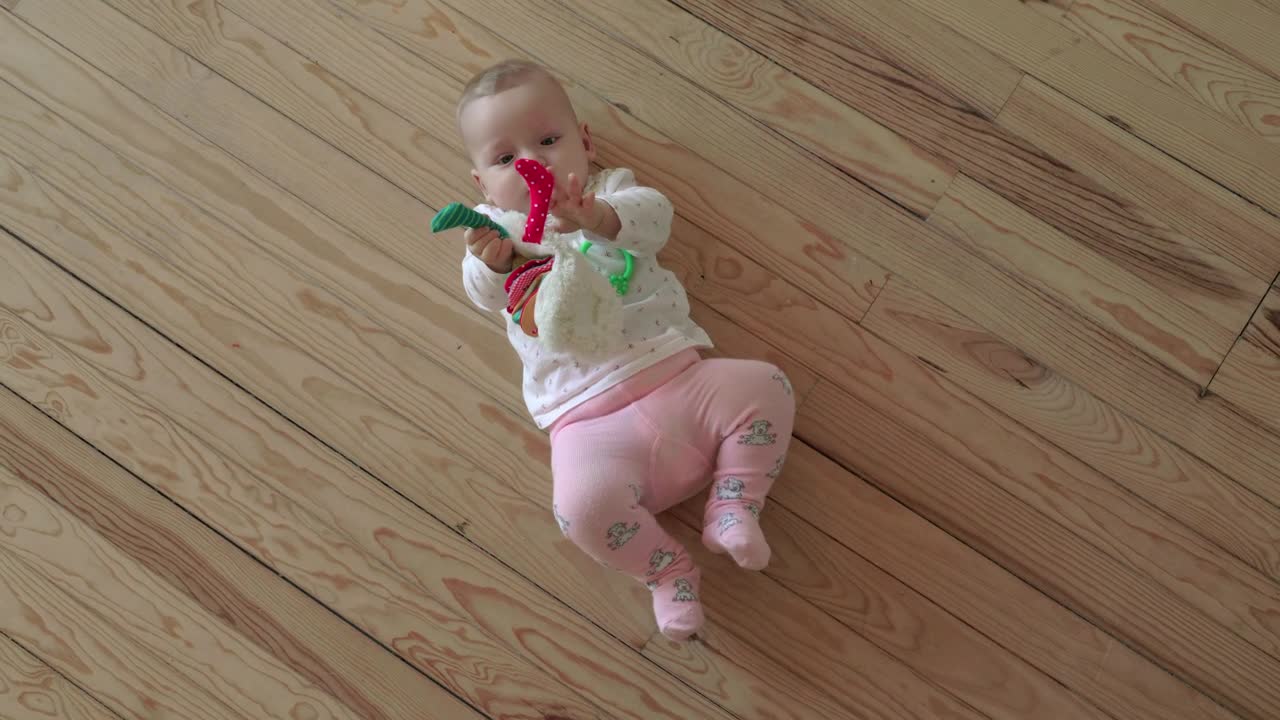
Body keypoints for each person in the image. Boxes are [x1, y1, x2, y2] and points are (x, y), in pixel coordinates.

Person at [455, 59, 794, 640]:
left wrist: (597, 217)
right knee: (579, 512)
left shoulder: (612, 192)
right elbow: (482, 294)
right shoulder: (496, 229)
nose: (532, 163)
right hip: (587, 423)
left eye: (548, 141)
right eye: (507, 159)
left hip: (679, 382)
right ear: (481, 184)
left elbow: (655, 218)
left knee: (766, 387)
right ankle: (666, 571)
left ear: (585, 143)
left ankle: (735, 503)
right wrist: (492, 262)